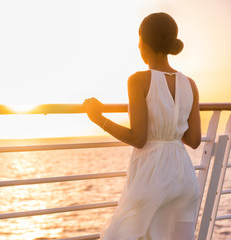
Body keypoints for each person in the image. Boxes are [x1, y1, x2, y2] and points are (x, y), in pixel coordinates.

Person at [83, 12, 201, 240]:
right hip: (185, 179)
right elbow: (194, 140)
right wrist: (171, 125)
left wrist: (99, 119)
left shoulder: (138, 80)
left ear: (143, 41)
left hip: (153, 176)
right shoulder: (191, 84)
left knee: (124, 234)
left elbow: (139, 138)